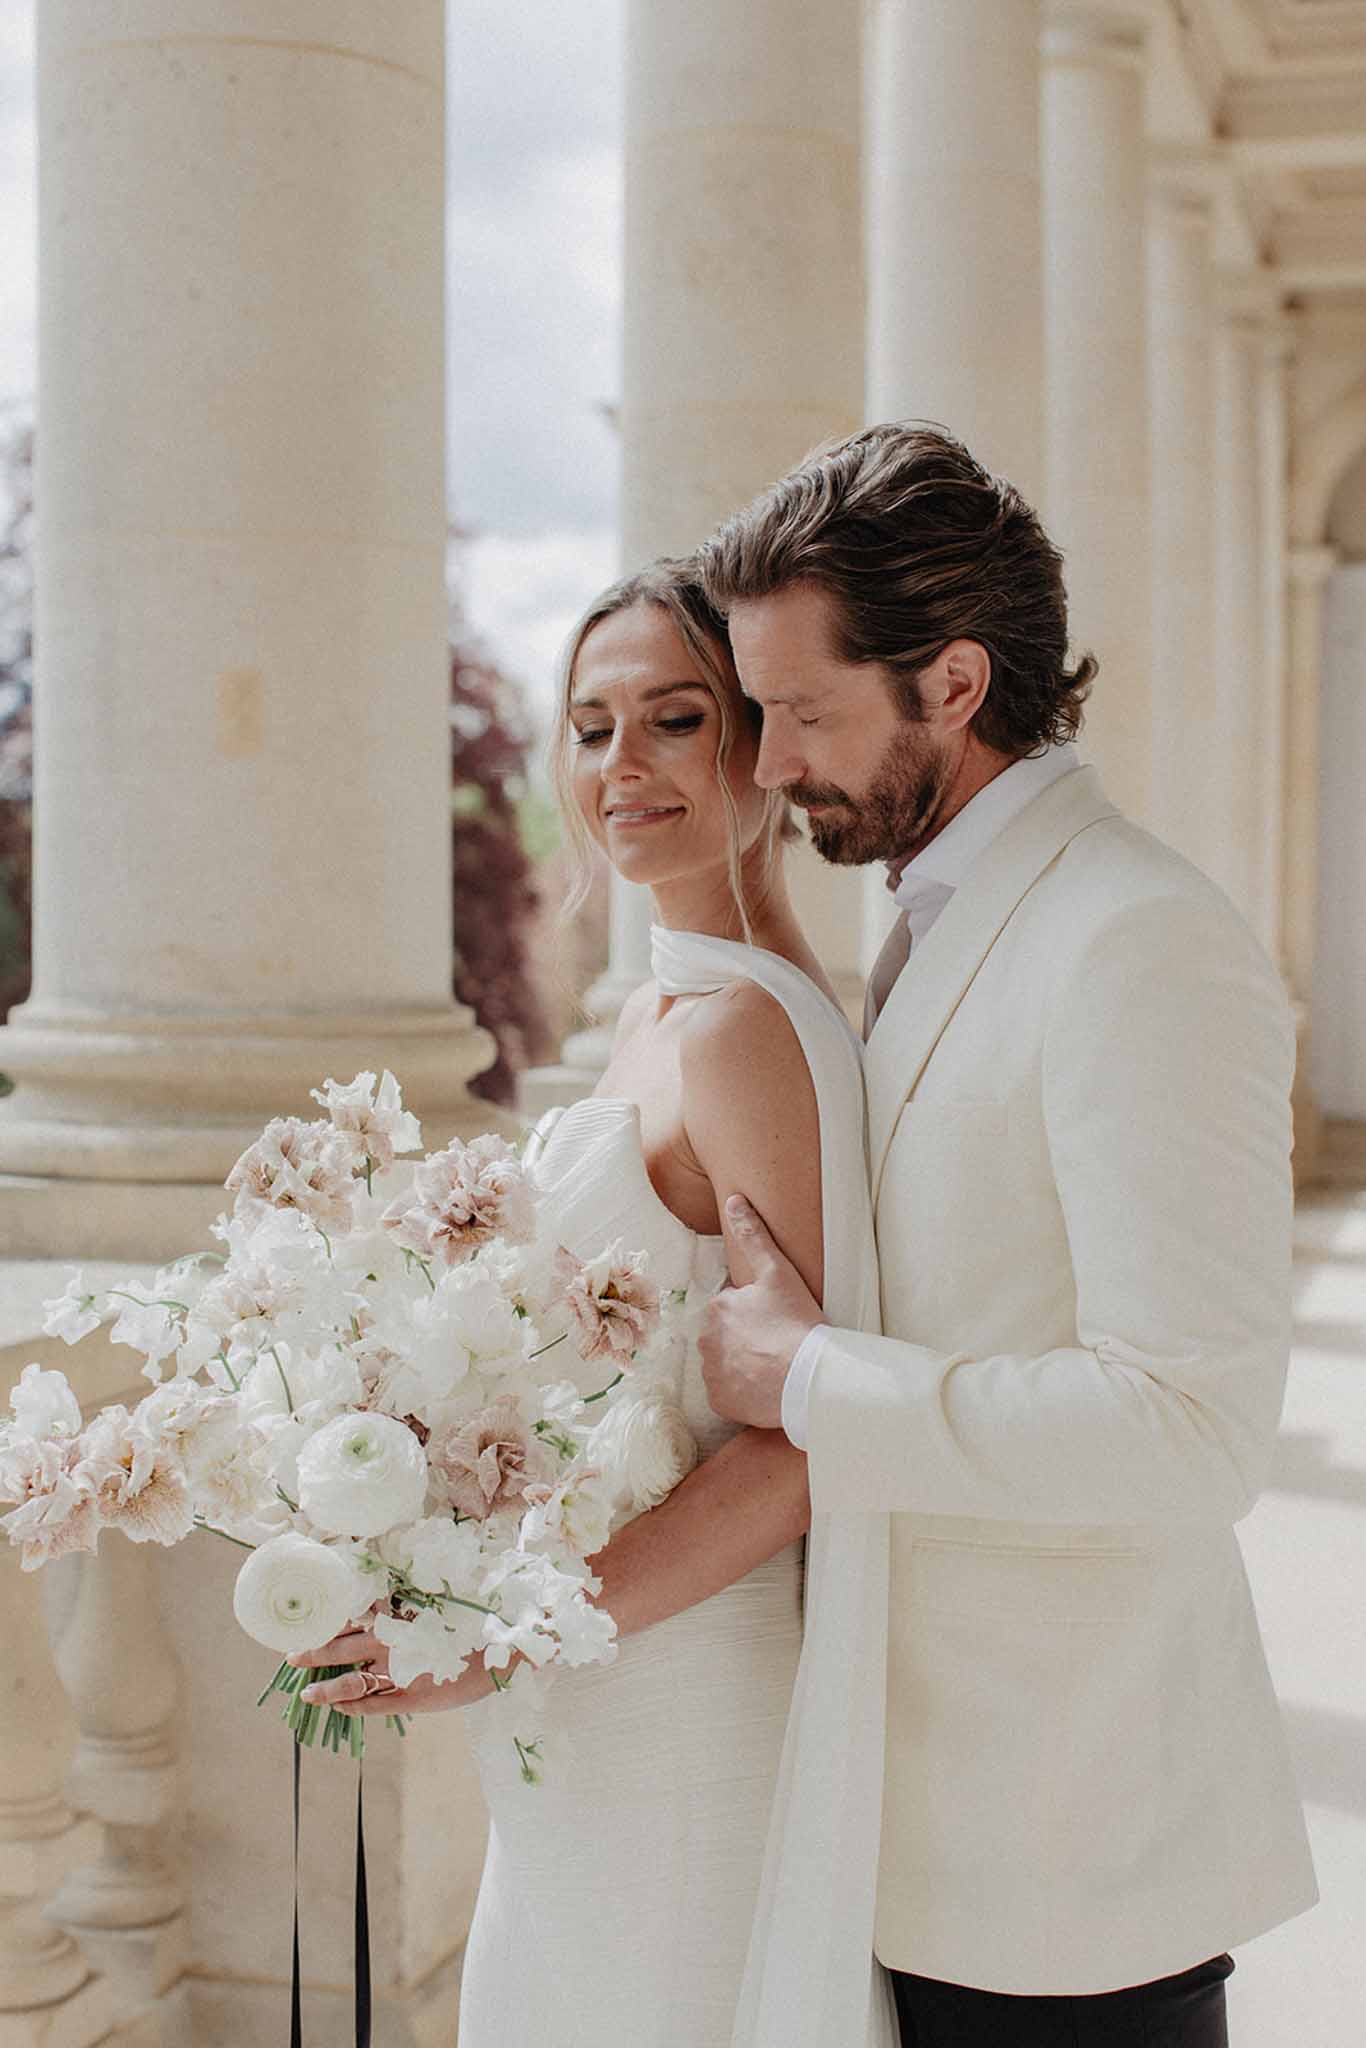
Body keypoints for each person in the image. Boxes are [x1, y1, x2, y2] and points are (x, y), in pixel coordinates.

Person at [695, 421, 1319, 2048]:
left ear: (952, 685)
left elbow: (1188, 1430)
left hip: (1070, 1855)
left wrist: (810, 1379)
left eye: (802, 713)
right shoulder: (938, 920)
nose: (766, 765)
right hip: (912, 1829)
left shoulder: (1136, 941)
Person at [287, 560, 895, 2047]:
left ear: (762, 743)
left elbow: (806, 1439)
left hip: (681, 1689)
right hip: (584, 1685)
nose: (622, 766)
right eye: (592, 725)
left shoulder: (745, 1031)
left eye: (674, 721)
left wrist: (503, 1629)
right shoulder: (661, 1007)